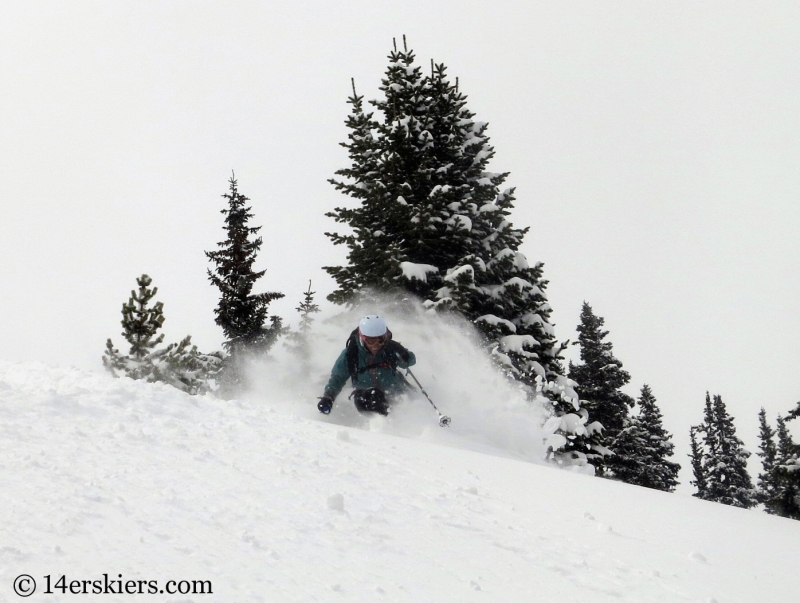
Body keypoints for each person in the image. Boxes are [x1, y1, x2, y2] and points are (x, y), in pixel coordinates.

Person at [317, 314, 416, 416]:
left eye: (380, 340)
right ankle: (376, 427)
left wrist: (404, 355)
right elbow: (338, 378)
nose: (375, 346)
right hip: (366, 397)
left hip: (395, 392)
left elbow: (411, 361)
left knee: (406, 404)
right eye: (370, 341)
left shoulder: (390, 348)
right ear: (362, 338)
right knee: (371, 397)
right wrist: (328, 397)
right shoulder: (351, 354)